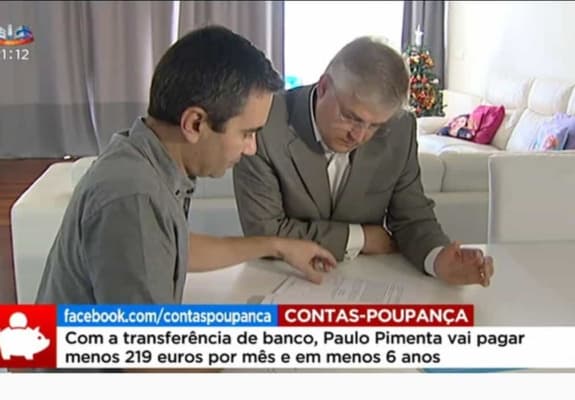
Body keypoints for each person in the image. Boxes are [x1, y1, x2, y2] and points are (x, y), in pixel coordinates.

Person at [35, 25, 337, 307]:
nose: (251, 148)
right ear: (194, 123)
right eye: (247, 133)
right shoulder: (134, 195)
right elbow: (144, 346)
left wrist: (278, 246)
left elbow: (173, 248)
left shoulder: (144, 156)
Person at [233, 36, 494, 287]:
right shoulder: (262, 124)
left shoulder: (399, 129)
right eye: (351, 117)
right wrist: (361, 238)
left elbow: (412, 216)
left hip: (369, 281)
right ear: (323, 87)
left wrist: (439, 260)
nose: (359, 136)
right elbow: (263, 232)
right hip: (280, 278)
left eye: (375, 126)